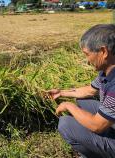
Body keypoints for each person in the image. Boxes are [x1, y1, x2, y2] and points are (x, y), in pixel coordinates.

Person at [48, 24, 115, 158]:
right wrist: (61, 92)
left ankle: (92, 154)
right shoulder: (107, 71)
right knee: (82, 100)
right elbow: (90, 90)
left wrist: (69, 106)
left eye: (87, 54)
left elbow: (97, 126)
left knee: (65, 124)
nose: (87, 61)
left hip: (102, 125)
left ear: (103, 52)